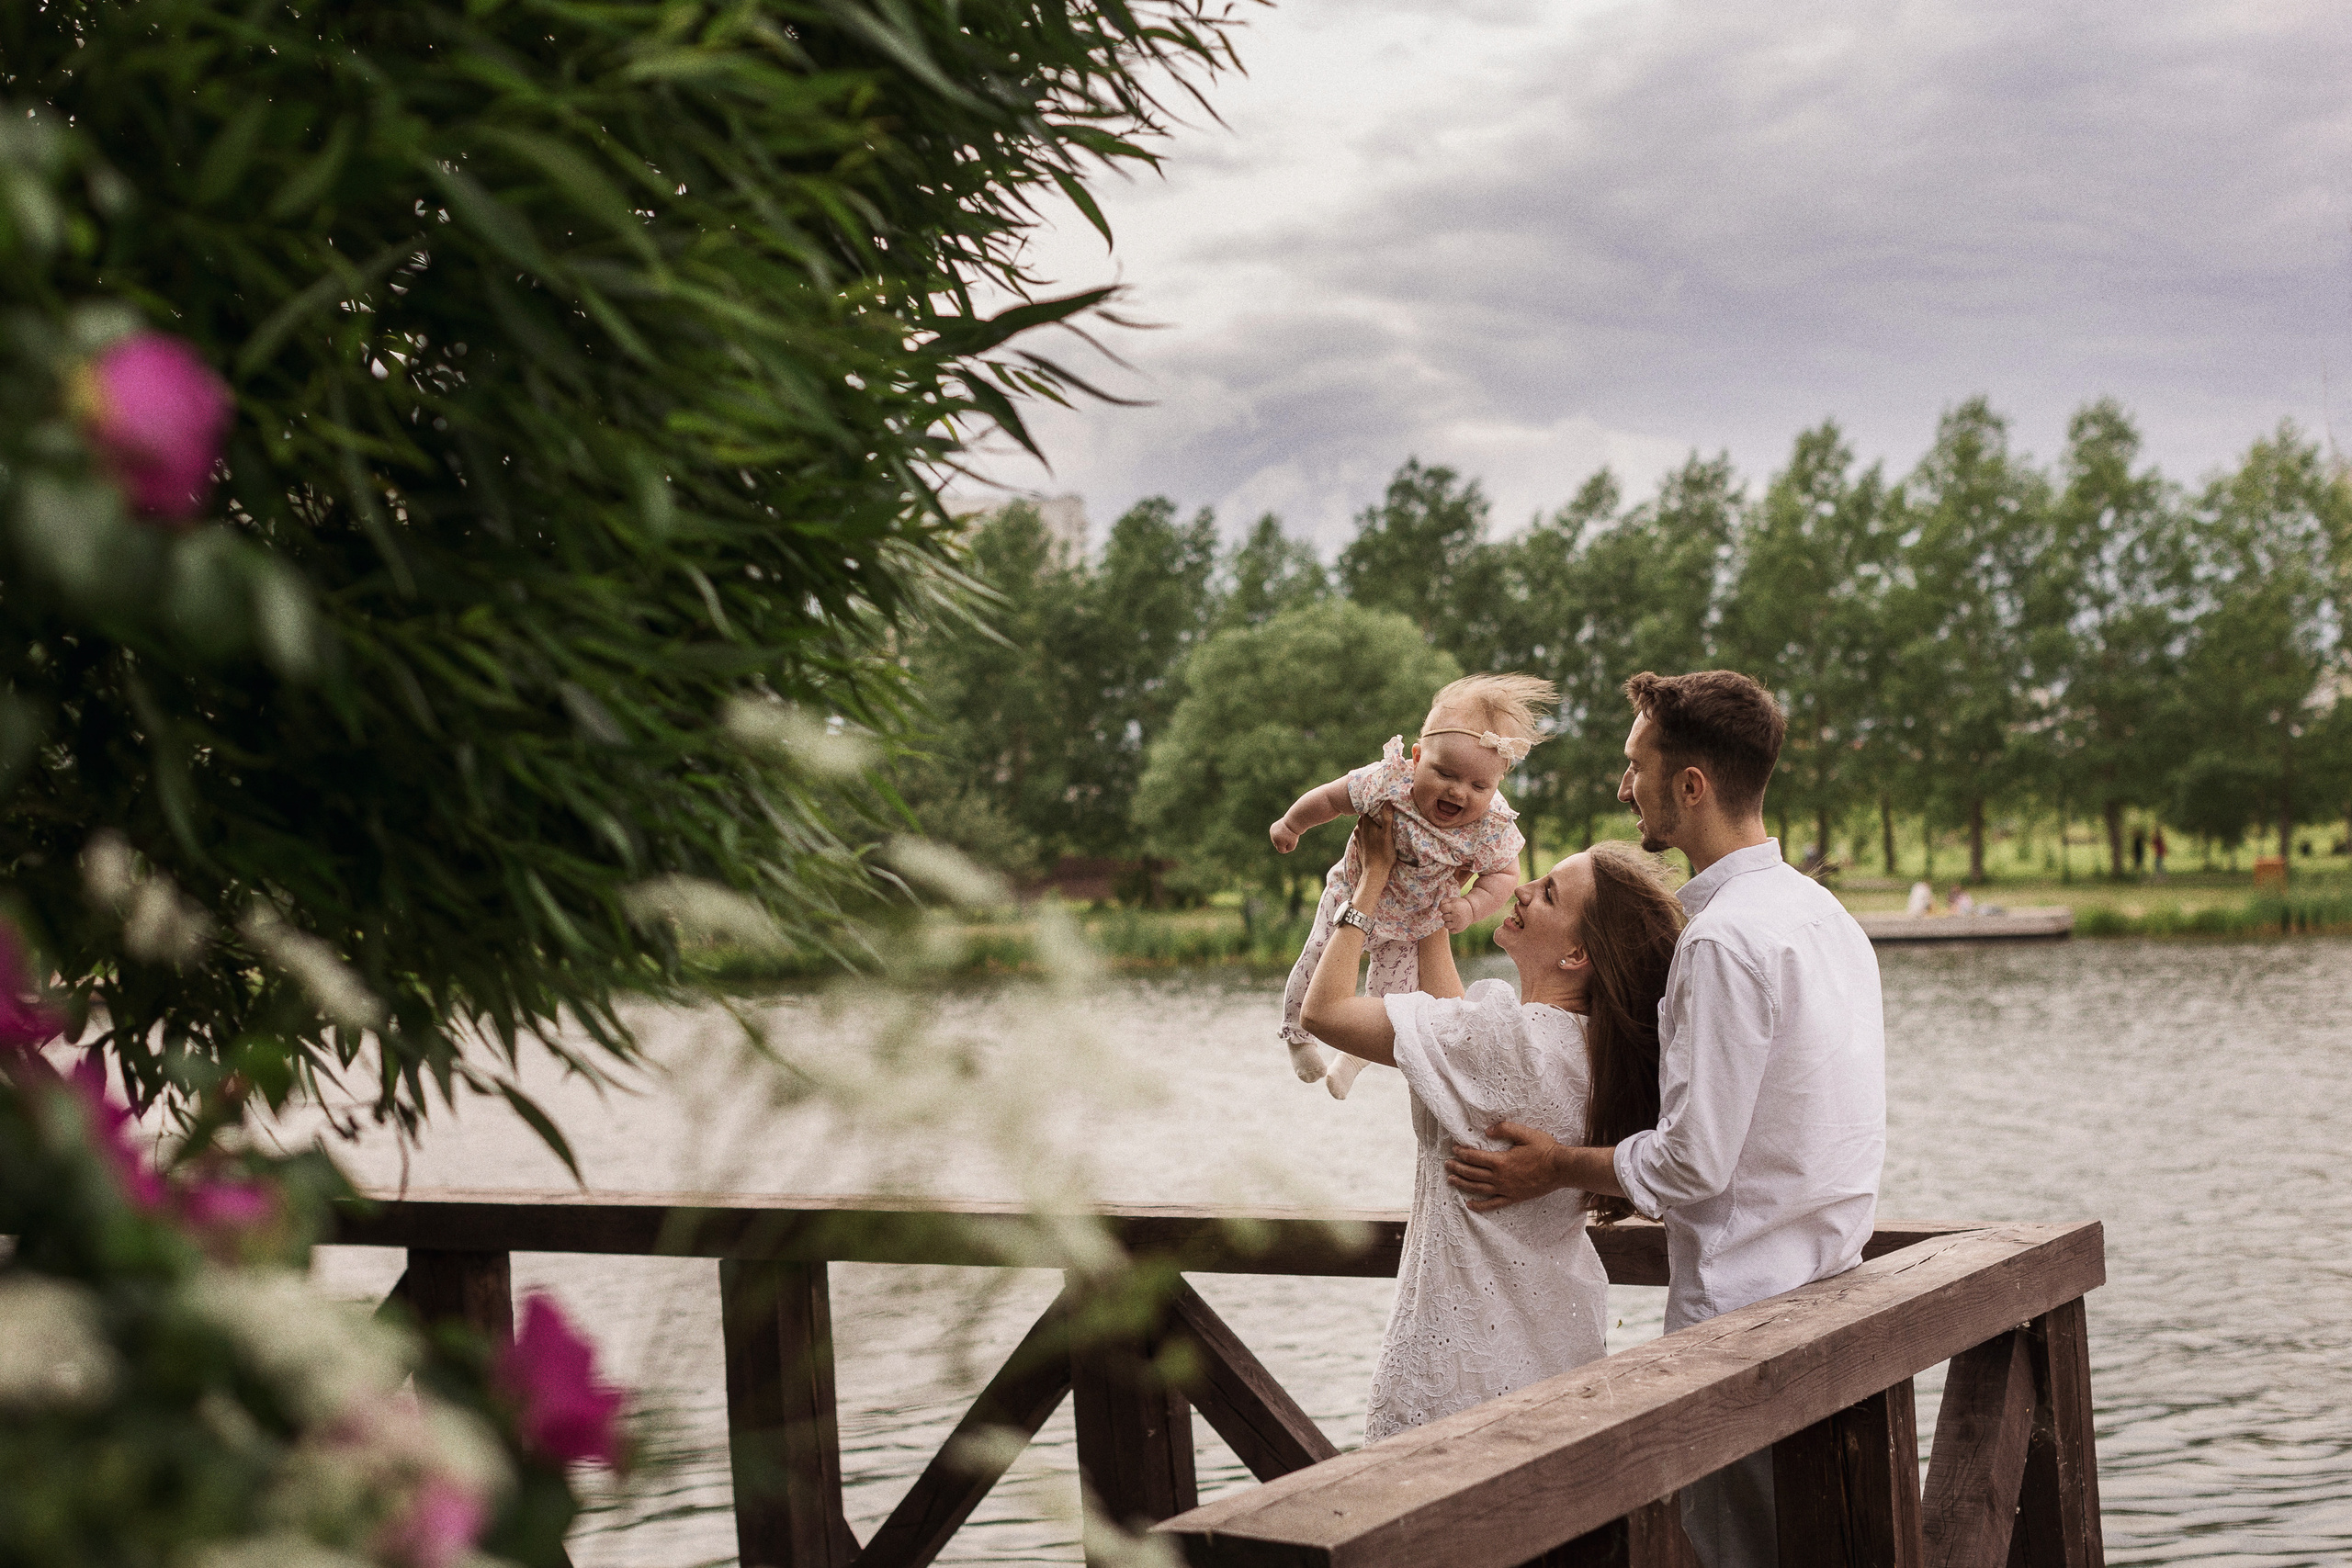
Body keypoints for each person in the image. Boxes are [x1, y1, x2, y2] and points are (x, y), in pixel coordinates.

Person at [1442, 670, 1885, 1568]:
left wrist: (1557, 1165)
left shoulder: (1722, 941)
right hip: (1832, 1295)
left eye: (1635, 766)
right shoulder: (1822, 914)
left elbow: (1692, 1164)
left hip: (1741, 1320)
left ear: (1691, 785)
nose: (1623, 786)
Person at [1298, 806, 1683, 1440]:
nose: (1523, 889)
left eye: (1549, 894)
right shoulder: (1592, 1054)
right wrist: (1430, 895)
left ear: (1577, 954)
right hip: (1554, 1351)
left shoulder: (1501, 1040)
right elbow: (1453, 1036)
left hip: (1459, 1369)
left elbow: (1325, 1010)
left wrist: (1370, 883)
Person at [1269, 673, 1549, 1099]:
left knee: (1394, 993)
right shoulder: (1389, 782)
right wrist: (1292, 824)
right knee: (1316, 957)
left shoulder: (1489, 825)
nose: (1459, 792)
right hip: (1351, 892)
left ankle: (1355, 1056)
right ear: (1417, 758)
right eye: (1445, 773)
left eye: (1479, 785)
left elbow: (1505, 874)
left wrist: (1471, 906)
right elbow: (1331, 798)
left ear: (1495, 786)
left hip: (1413, 919)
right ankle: (1297, 1033)